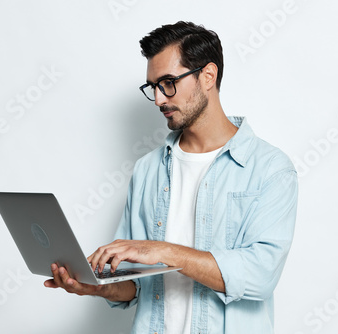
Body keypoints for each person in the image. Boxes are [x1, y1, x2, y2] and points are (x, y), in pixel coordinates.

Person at [44, 21, 298, 333]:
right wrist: (97, 287)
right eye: (152, 87)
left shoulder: (270, 169)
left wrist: (161, 250)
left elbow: (260, 276)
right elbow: (135, 284)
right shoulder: (147, 169)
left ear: (208, 76)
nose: (160, 99)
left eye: (168, 82)